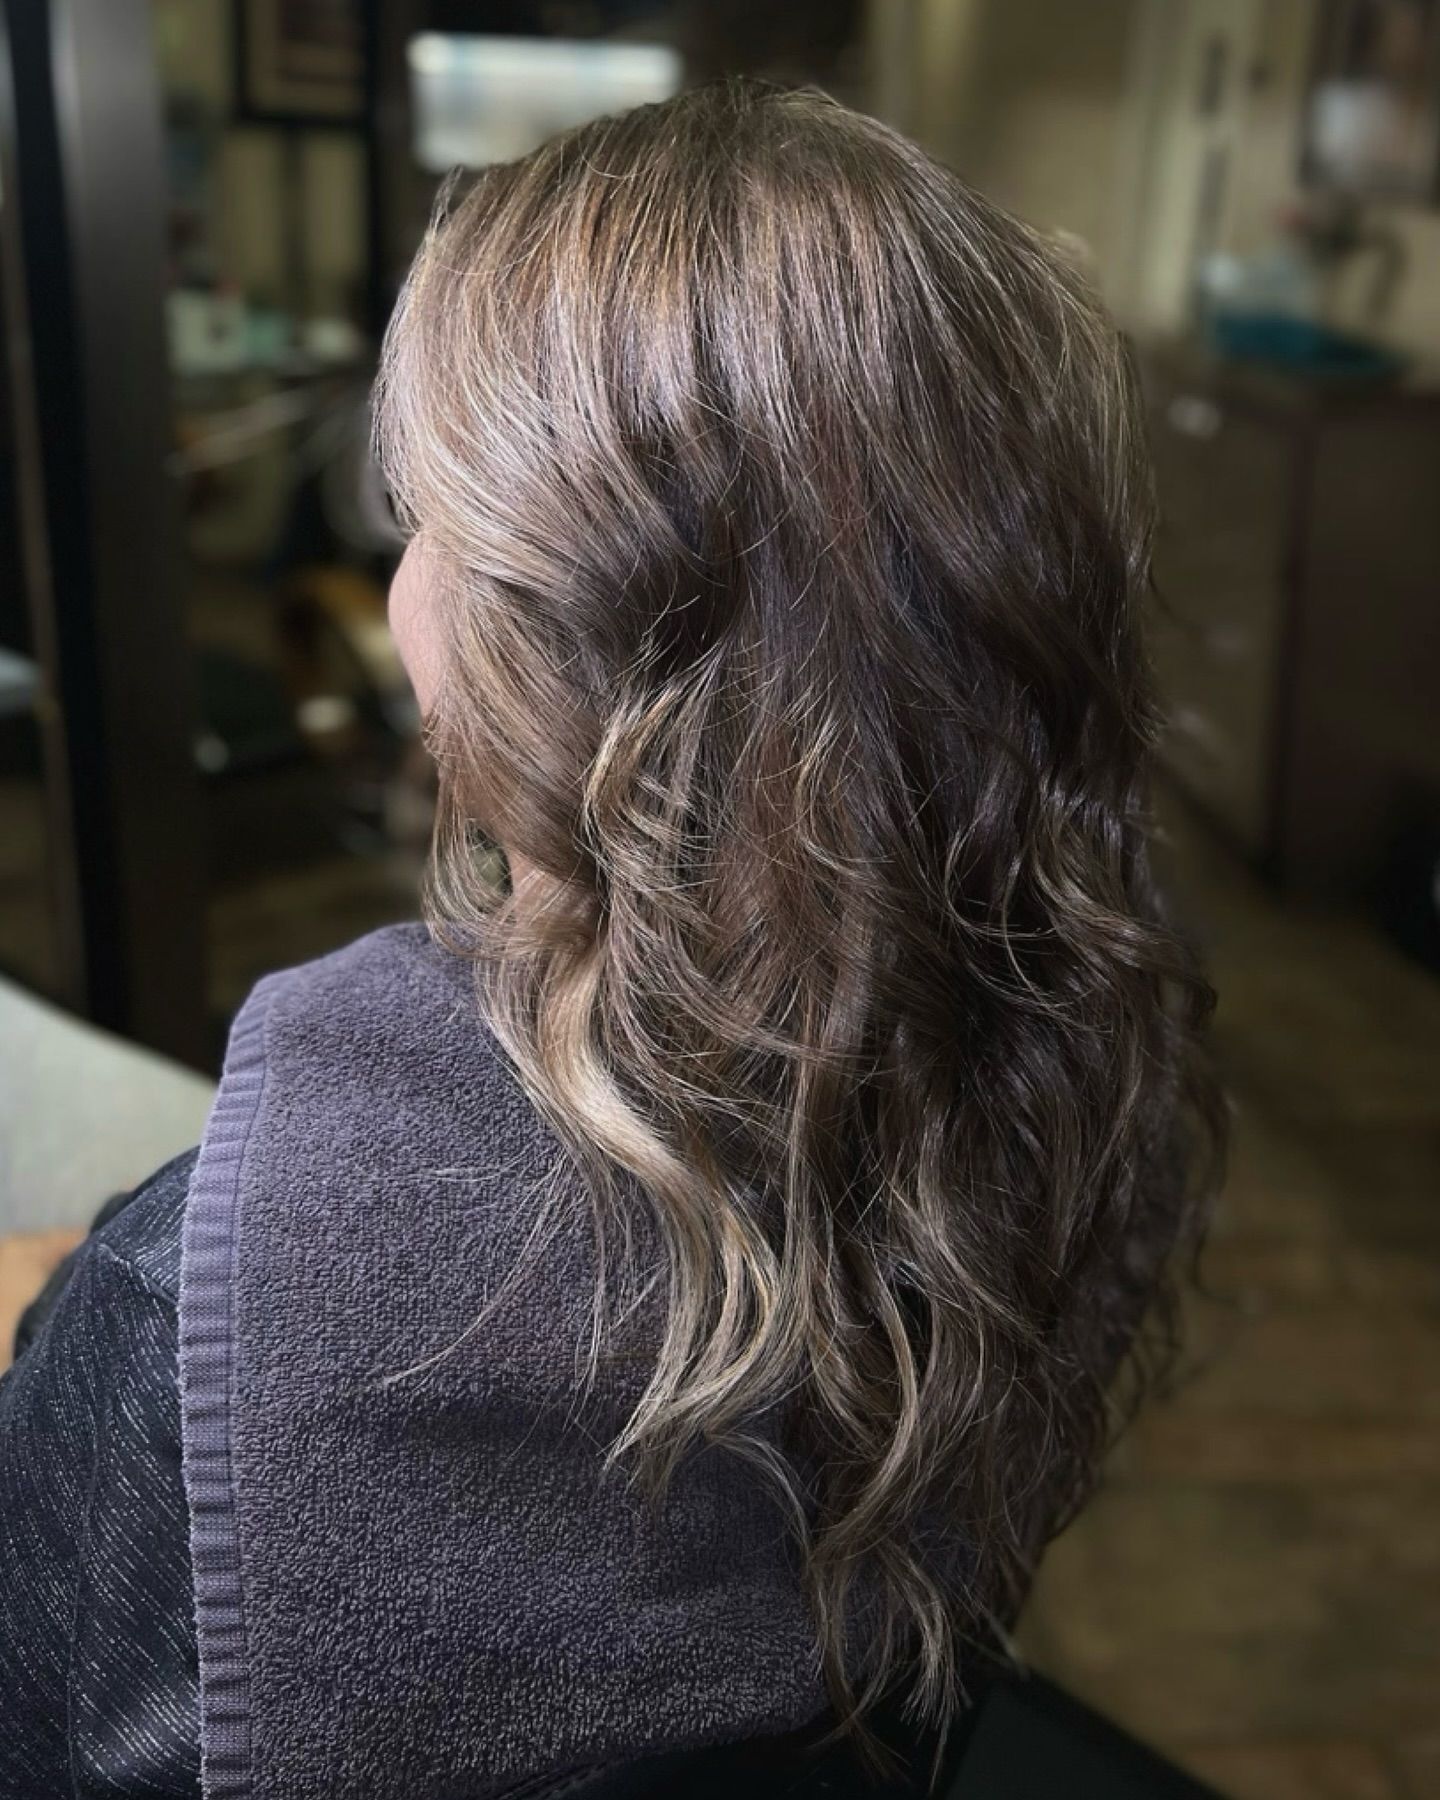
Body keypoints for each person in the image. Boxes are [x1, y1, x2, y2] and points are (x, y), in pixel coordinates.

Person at [0, 77, 1225, 1799]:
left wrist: (111, 1314)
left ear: (570, 633)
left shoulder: (210, 1305)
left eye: (423, 517)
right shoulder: (1071, 1048)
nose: (401, 583)